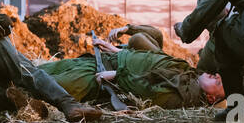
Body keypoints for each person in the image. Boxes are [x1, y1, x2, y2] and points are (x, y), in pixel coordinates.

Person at [41, 27, 222, 109]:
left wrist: (117, 75)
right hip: (105, 61)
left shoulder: (185, 92)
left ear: (211, 97)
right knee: (38, 71)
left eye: (219, 83)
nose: (217, 76)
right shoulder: (189, 72)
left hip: (99, 77)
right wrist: (116, 50)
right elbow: (152, 58)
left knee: (45, 85)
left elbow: (147, 90)